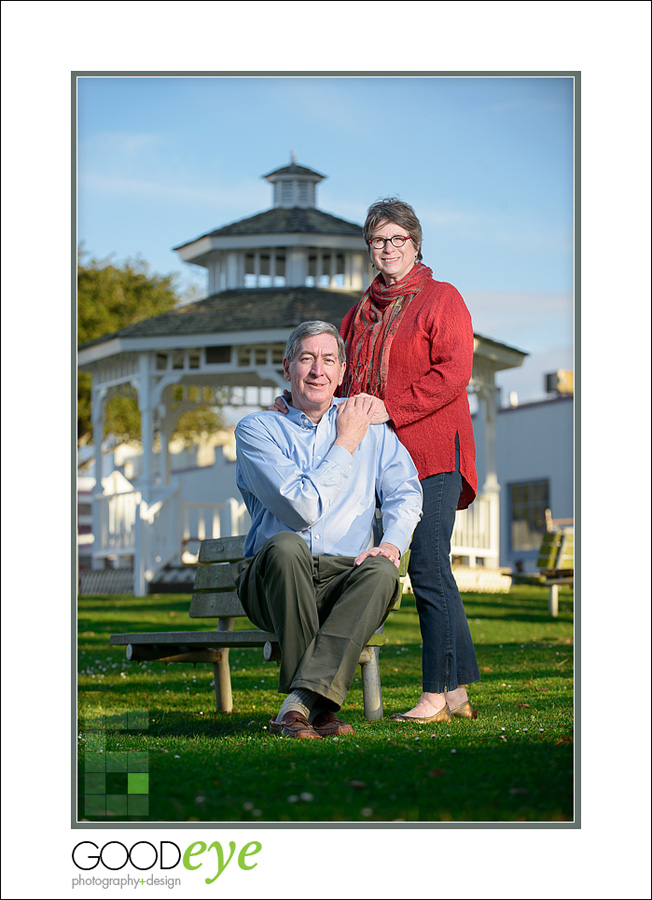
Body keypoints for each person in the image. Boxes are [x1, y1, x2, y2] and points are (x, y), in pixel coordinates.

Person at [234, 320, 423, 739]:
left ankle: (300, 707)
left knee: (381, 573)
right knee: (286, 546)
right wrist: (346, 442)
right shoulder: (258, 430)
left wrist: (392, 543)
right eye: (306, 359)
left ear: (342, 372)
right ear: (288, 369)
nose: (317, 370)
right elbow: (300, 508)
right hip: (274, 581)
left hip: (343, 578)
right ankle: (318, 707)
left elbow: (405, 493)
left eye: (328, 360)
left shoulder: (374, 428)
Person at [339, 198, 481, 723]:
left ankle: (435, 696)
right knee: (433, 571)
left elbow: (452, 374)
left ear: (416, 243)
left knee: (424, 566)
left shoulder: (442, 299)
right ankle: (459, 692)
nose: (389, 248)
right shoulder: (359, 312)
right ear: (370, 249)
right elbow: (339, 371)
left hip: (435, 451)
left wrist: (389, 408)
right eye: (379, 240)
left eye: (398, 238)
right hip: (383, 461)